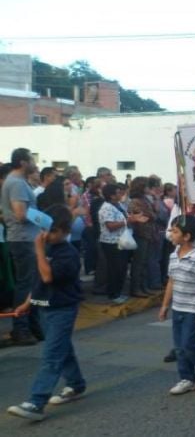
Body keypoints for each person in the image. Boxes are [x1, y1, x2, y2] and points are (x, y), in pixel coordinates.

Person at [6, 205, 86, 421]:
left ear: (65, 231)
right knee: (62, 349)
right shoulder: (47, 246)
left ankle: (36, 402)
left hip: (62, 309)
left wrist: (39, 251)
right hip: (44, 307)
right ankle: (76, 384)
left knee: (52, 355)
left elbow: (49, 276)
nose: (46, 235)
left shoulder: (68, 253)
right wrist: (27, 302)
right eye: (44, 230)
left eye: (51, 231)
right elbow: (40, 281)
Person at [158, 214, 195, 395]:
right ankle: (187, 378)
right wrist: (165, 306)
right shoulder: (173, 256)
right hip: (178, 307)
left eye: (175, 231)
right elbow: (171, 282)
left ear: (187, 236)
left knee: (188, 343)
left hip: (193, 309)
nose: (171, 234)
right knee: (179, 347)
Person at [0, 148, 42, 347]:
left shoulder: (18, 182)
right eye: (32, 160)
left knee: (30, 283)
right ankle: (21, 328)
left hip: (25, 238)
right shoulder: (16, 183)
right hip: (23, 239)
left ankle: (32, 326)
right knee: (26, 284)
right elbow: (20, 214)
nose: (35, 165)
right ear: (23, 162)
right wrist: (44, 218)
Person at [98, 183, 136, 304]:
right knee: (115, 268)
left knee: (122, 268)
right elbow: (110, 226)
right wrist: (127, 221)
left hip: (122, 240)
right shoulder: (106, 208)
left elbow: (125, 217)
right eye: (118, 193)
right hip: (111, 242)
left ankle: (118, 292)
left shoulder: (118, 205)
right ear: (111, 195)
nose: (121, 194)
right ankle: (113, 294)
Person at [127, 177, 158, 298]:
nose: (147, 188)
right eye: (145, 186)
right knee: (138, 263)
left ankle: (143, 286)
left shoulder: (145, 199)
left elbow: (153, 214)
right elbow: (141, 216)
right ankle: (136, 288)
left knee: (144, 262)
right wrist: (150, 214)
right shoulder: (135, 201)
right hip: (140, 233)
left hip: (148, 233)